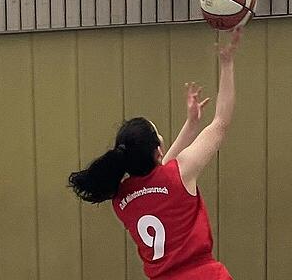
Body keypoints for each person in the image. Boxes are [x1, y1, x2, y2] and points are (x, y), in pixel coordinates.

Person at [68, 28, 242, 280]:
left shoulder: (121, 199)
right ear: (157, 150)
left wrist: (191, 124)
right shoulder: (180, 173)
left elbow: (160, 171)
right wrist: (227, 63)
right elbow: (221, 122)